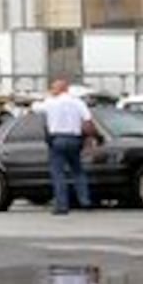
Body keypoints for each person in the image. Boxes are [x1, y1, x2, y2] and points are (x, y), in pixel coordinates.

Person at [41, 78, 97, 215]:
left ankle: (62, 206)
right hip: (74, 139)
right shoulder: (78, 102)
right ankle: (85, 201)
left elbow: (35, 109)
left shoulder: (50, 103)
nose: (52, 90)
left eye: (53, 88)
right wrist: (91, 138)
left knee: (58, 173)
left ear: (60, 89)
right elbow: (88, 121)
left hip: (57, 140)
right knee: (78, 171)